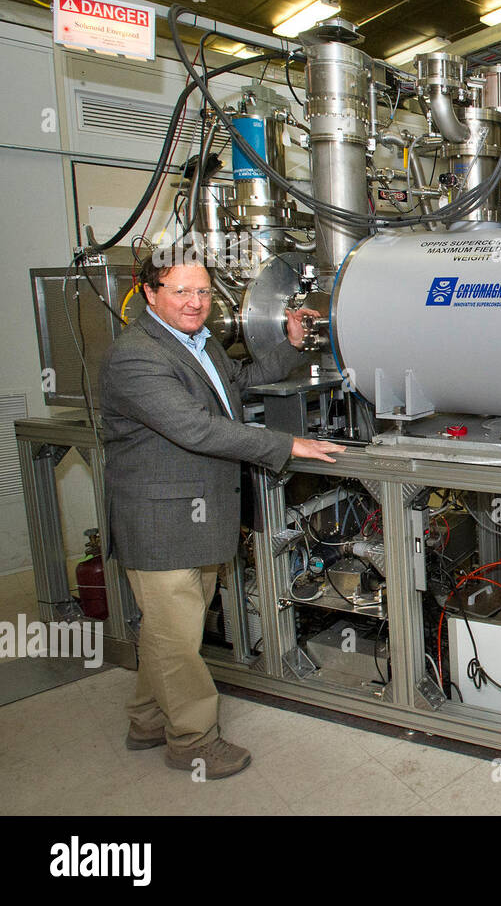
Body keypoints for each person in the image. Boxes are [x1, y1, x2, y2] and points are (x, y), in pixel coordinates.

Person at [99, 253, 345, 779]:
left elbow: (242, 380)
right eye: (182, 292)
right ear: (149, 293)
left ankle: (145, 718)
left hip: (199, 515)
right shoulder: (137, 357)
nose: (196, 303)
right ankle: (192, 741)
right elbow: (196, 429)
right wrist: (287, 445)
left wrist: (290, 346)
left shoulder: (201, 341)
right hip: (160, 522)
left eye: (204, 293)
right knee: (176, 637)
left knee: (171, 633)